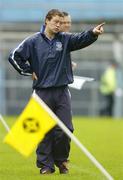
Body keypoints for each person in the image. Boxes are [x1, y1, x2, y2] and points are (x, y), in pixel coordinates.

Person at [8, 9, 104, 174]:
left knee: (66, 128)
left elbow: (80, 39)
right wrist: (28, 70)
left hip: (62, 92)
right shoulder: (32, 41)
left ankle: (61, 160)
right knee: (43, 130)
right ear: (47, 21)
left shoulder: (65, 39)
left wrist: (92, 33)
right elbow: (14, 56)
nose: (60, 25)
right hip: (42, 93)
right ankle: (46, 166)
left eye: (62, 22)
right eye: (56, 22)